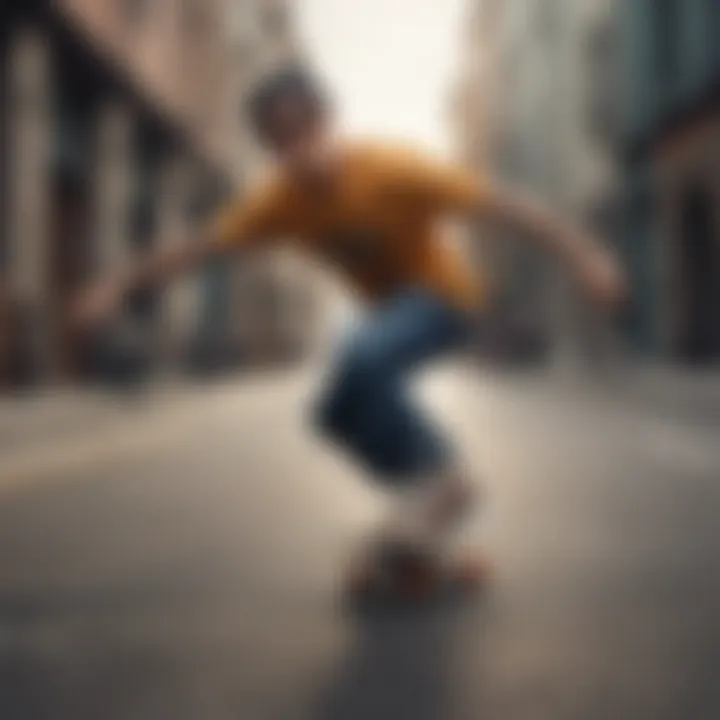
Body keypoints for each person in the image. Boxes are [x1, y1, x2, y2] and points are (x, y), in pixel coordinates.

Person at [72, 66, 626, 594]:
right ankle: (424, 496)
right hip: (390, 313)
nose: (299, 152)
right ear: (269, 149)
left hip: (448, 302)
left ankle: (444, 487)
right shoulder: (277, 201)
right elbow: (195, 249)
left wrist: (587, 256)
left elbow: (506, 208)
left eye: (306, 131)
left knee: (361, 358)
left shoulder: (393, 168)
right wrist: (116, 287)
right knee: (334, 413)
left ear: (329, 121)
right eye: (280, 142)